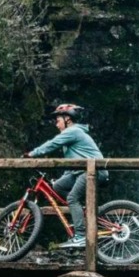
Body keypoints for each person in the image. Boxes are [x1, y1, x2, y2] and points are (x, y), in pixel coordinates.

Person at [23, 103, 108, 249]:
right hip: (81, 171)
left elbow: (51, 144)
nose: (56, 124)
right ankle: (80, 213)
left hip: (93, 171)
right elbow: (72, 164)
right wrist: (62, 179)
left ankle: (81, 236)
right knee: (57, 186)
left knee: (72, 198)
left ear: (67, 118)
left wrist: (32, 154)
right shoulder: (72, 135)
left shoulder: (73, 131)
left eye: (58, 120)